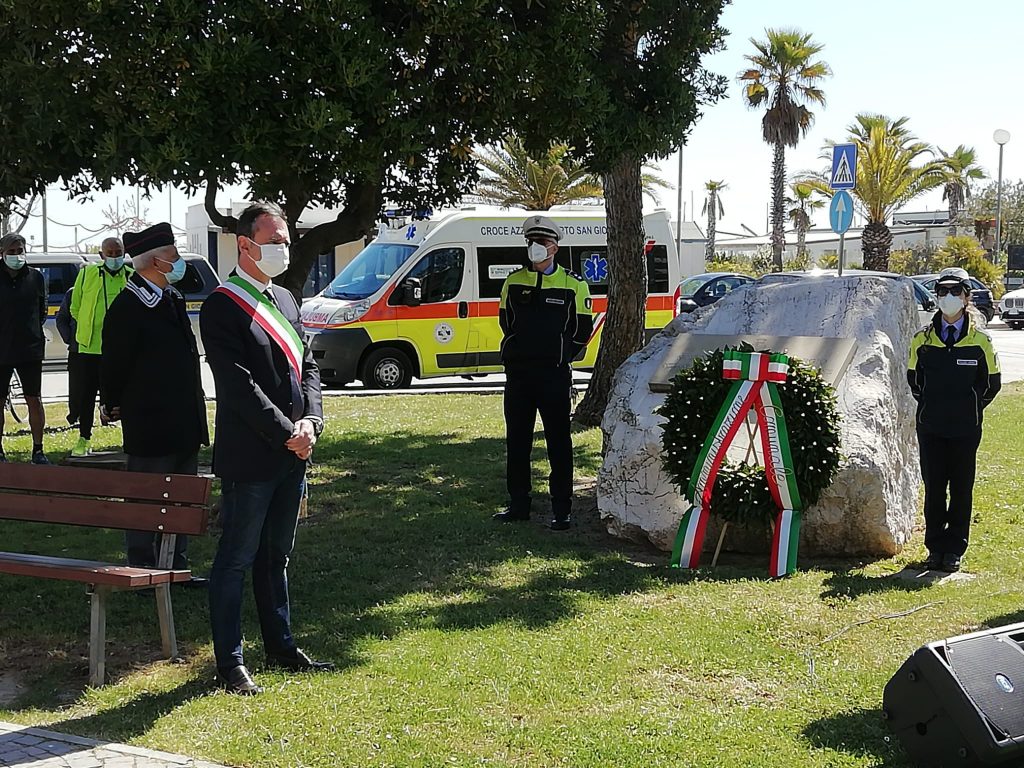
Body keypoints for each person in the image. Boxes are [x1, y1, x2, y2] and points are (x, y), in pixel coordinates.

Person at [201, 201, 329, 695]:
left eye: (286, 241)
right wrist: (286, 432)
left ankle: (281, 645)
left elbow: (308, 367)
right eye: (274, 241)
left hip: (293, 452)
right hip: (252, 455)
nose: (283, 248)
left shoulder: (287, 300)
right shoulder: (221, 305)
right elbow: (238, 386)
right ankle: (230, 662)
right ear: (244, 245)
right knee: (236, 559)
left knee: (277, 556)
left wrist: (312, 421)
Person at [100, 223, 209, 581]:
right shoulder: (129, 305)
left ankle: (175, 566)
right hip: (150, 422)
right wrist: (111, 402)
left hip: (184, 418)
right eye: (172, 255)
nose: (178, 261)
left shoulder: (171, 297)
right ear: (154, 261)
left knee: (182, 498)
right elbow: (114, 363)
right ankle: (142, 568)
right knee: (146, 498)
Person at [493, 215, 593, 531]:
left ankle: (561, 510)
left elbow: (582, 332)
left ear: (555, 247)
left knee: (558, 443)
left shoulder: (574, 284)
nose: (536, 247)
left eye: (543, 242)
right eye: (532, 242)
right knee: (517, 441)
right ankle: (518, 505)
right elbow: (506, 322)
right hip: (519, 375)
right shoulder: (513, 282)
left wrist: (560, 356)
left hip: (554, 376)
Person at [908, 266, 1001, 573]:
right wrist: (933, 405)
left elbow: (992, 384)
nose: (948, 297)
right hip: (931, 426)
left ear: (966, 297)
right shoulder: (922, 339)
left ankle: (954, 549)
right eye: (943, 291)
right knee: (934, 488)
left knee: (961, 489)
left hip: (965, 428)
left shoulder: (981, 340)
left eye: (955, 291)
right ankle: (935, 548)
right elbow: (914, 380)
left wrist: (969, 407)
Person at [69, 237, 131, 456]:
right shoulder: (87, 274)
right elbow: (75, 307)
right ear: (101, 255)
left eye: (118, 253)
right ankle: (84, 438)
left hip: (121, 349)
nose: (114, 257)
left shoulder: (131, 276)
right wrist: (87, 328)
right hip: (90, 348)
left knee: (125, 394)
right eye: (110, 253)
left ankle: (130, 440)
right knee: (86, 395)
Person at [0, 233, 50, 464]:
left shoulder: (35, 277)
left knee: (34, 399)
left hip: (29, 349)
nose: (16, 255)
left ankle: (38, 450)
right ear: (2, 253)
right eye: (11, 251)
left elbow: (41, 311)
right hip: (2, 350)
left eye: (20, 250)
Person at [55, 286, 80, 426]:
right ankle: (75, 417)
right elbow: (61, 319)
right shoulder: (73, 293)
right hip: (78, 349)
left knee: (106, 385)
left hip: (104, 348)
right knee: (77, 386)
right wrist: (70, 338)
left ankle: (107, 416)